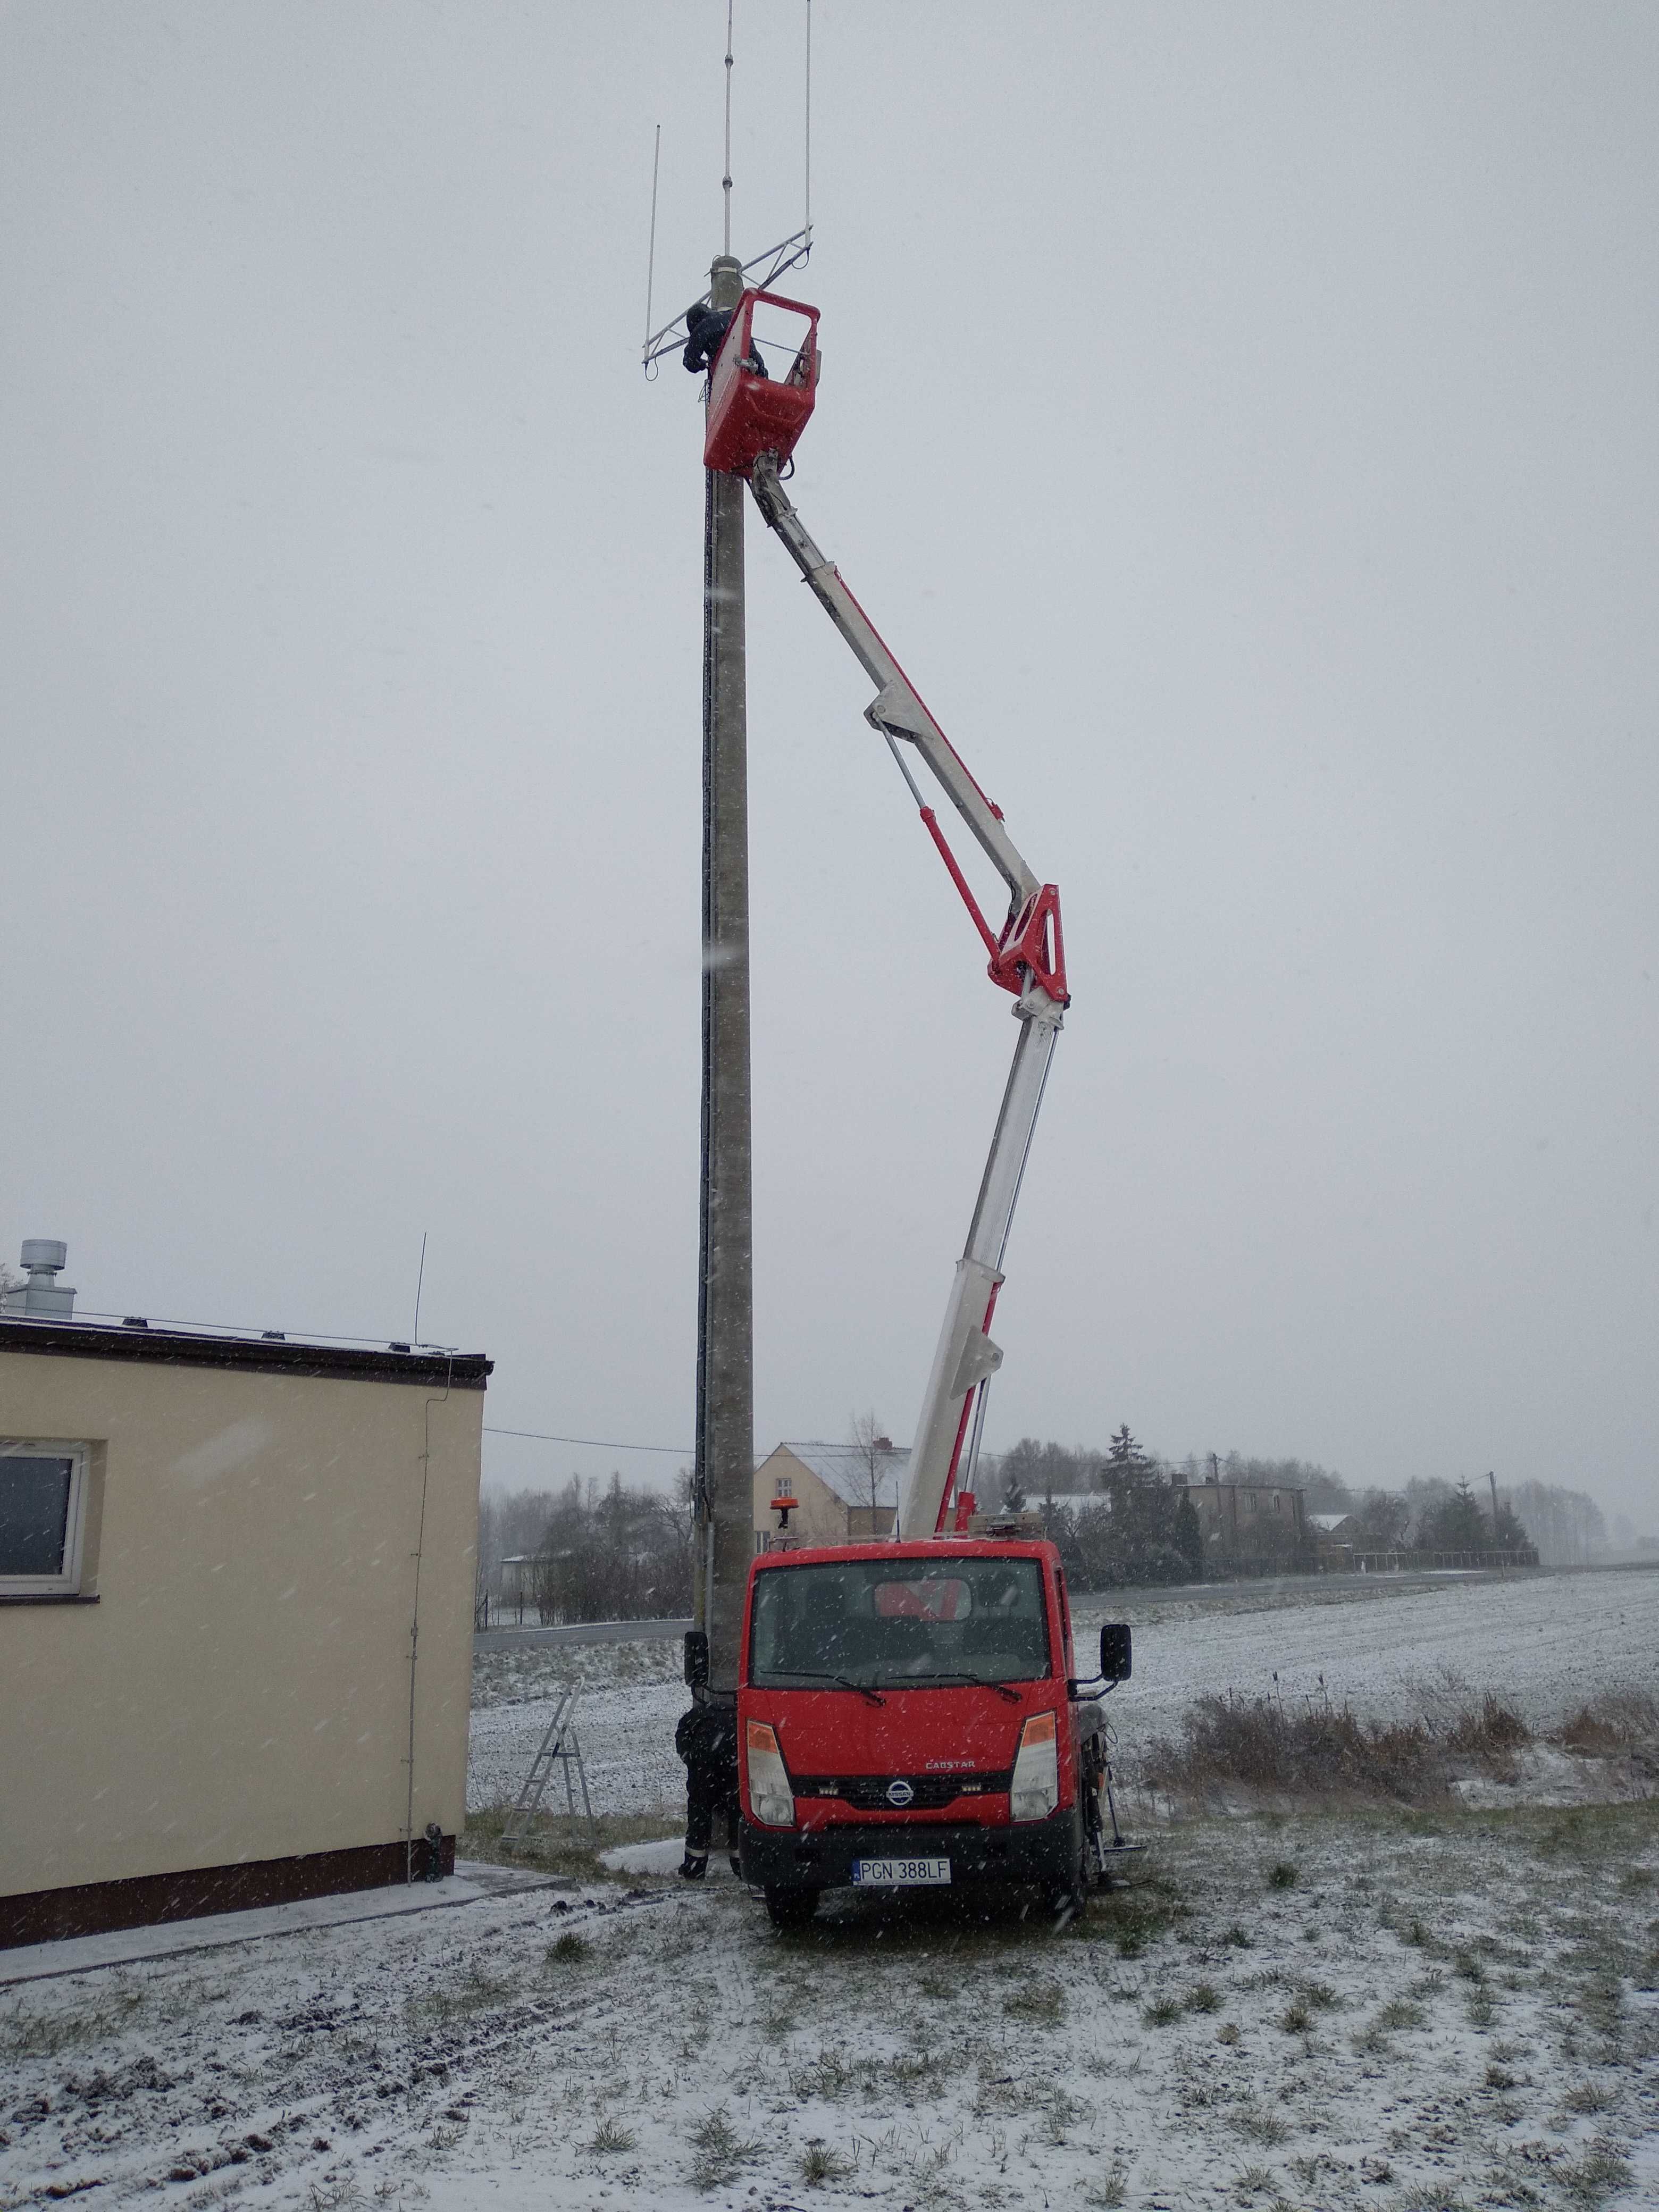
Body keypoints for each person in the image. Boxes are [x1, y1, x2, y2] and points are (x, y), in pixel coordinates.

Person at [675, 1700, 739, 1879]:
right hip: (734, 1775)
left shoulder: (697, 1715)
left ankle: (695, 1869)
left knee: (699, 1821)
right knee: (738, 1819)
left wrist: (692, 1760)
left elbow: (682, 1739)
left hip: (703, 1777)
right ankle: (742, 1868)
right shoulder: (743, 1715)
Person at [682, 299, 767, 380]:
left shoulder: (702, 327)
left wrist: (703, 364)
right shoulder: (732, 316)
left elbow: (690, 361)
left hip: (729, 369)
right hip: (756, 363)